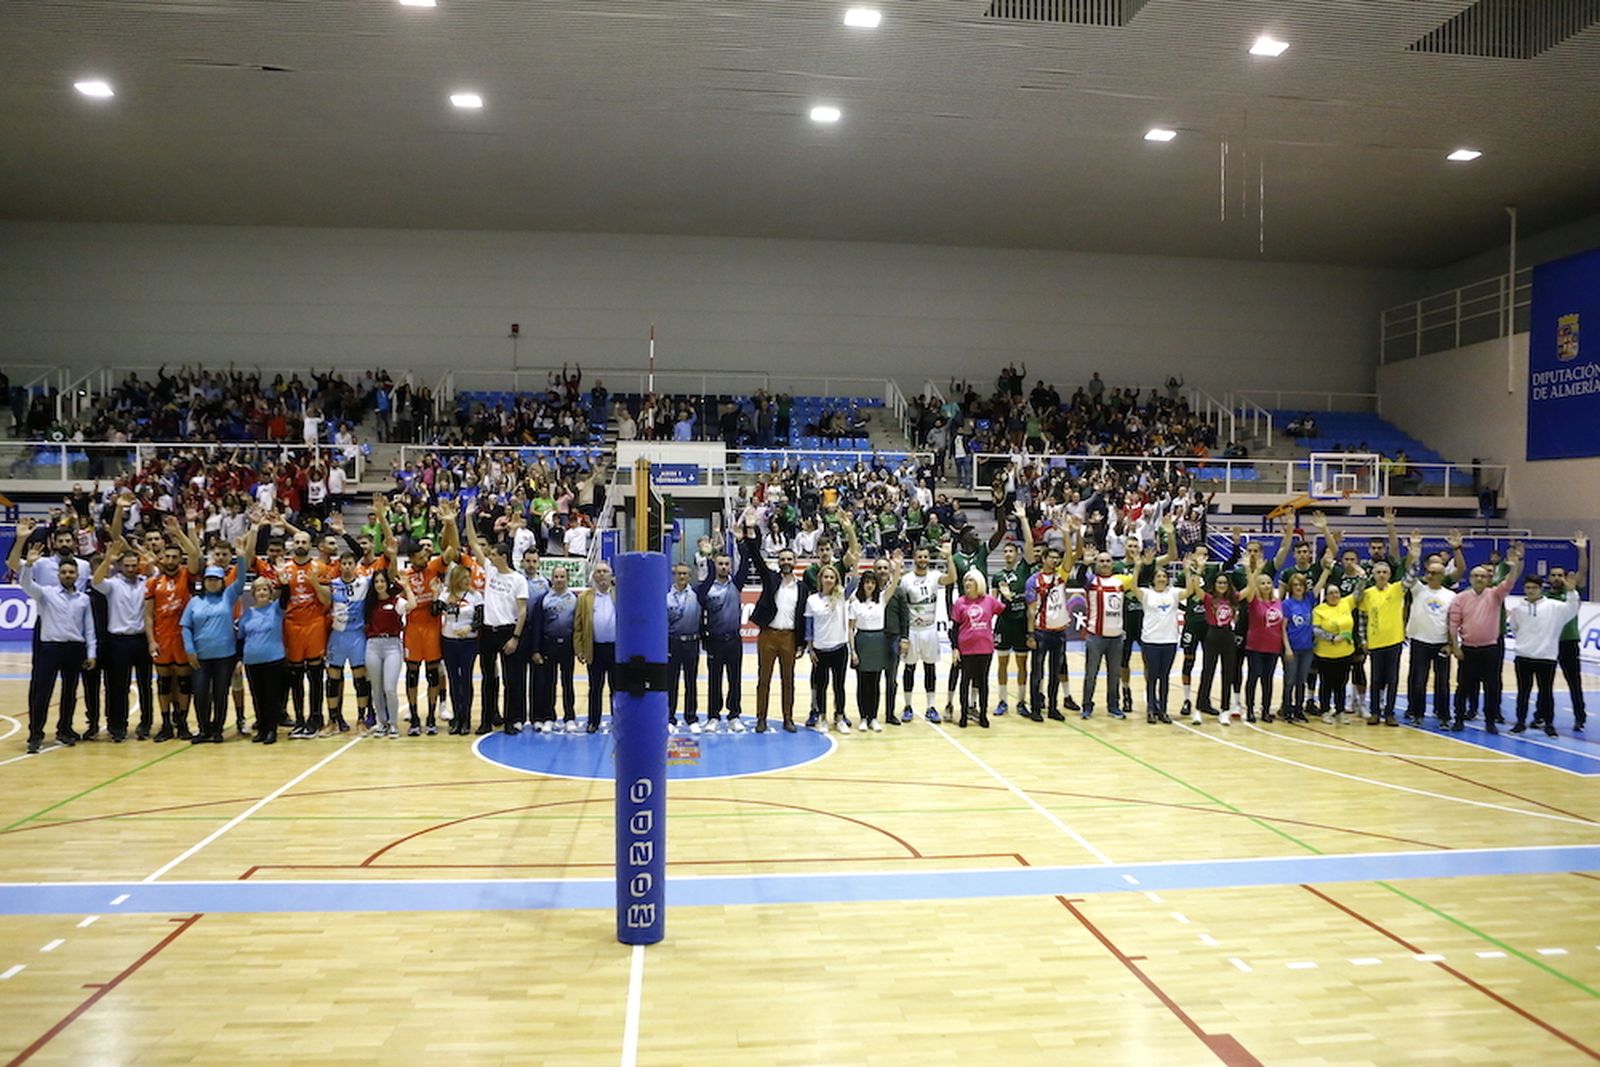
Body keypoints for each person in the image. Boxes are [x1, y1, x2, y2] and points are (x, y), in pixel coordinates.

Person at [11, 522, 96, 754]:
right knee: (42, 690)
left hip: (74, 646)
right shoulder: (45, 589)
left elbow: (89, 628)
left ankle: (65, 729)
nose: (68, 575)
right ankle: (35, 733)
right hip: (49, 642)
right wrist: (28, 564)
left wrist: (91, 653)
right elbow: (26, 584)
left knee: (70, 691)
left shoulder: (83, 595)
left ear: (78, 575)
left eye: (71, 573)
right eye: (64, 572)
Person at [1446, 543, 1524, 735]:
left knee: (1492, 686)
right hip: (1468, 649)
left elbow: (1509, 583)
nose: (1479, 578)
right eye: (1476, 576)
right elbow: (1453, 624)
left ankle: (1490, 721)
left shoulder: (1496, 595)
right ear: (1470, 579)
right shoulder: (1460, 598)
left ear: (1489, 578)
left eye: (1483, 576)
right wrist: (1455, 647)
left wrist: (1514, 566)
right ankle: (1459, 718)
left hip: (1490, 649)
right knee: (1463, 686)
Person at [743, 521, 812, 733]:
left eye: (789, 559)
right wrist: (750, 533)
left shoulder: (802, 588)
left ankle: (788, 718)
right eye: (782, 559)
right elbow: (755, 556)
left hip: (789, 638)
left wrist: (801, 643)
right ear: (778, 562)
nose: (785, 562)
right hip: (768, 635)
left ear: (795, 562)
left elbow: (803, 617)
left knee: (788, 680)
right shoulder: (770, 578)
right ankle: (761, 718)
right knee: (763, 679)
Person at [465, 513, 529, 736]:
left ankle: (512, 720)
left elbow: (522, 611)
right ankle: (486, 720)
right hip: (488, 631)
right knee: (488, 679)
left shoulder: (518, 580)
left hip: (507, 631)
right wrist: (467, 516)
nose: (489, 556)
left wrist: (516, 637)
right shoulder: (490, 571)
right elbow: (473, 543)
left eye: (493, 554)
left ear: (503, 556)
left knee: (511, 680)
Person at [1507, 572, 1583, 737]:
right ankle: (1520, 722)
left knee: (1546, 692)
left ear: (1541, 589)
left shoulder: (1554, 607)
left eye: (1534, 588)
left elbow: (1572, 608)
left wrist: (1571, 592)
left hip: (1546, 657)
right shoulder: (1518, 609)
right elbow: (1514, 628)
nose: (1531, 591)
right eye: (1528, 587)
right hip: (1523, 656)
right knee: (1523, 692)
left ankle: (1549, 724)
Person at [144, 527, 201, 742]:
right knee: (164, 682)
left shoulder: (187, 575)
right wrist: (151, 641)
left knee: (185, 682)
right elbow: (148, 616)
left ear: (180, 559)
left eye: (175, 557)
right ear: (162, 558)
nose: (170, 560)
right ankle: (166, 724)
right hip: (161, 639)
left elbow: (194, 554)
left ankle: (183, 722)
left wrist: (178, 532)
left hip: (182, 638)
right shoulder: (153, 583)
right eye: (167, 556)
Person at [179, 564, 245, 744]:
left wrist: (241, 558)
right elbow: (185, 626)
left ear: (222, 581)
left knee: (220, 693)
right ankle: (203, 729)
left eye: (216, 579)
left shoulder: (227, 597)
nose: (212, 583)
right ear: (204, 581)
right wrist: (189, 649)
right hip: (201, 656)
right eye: (209, 579)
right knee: (200, 692)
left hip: (225, 656)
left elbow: (241, 582)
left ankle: (217, 729)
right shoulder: (194, 602)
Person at [91, 544, 151, 743]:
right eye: (127, 565)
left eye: (134, 565)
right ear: (119, 566)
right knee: (118, 686)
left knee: (145, 685)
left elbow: (156, 570)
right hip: (119, 641)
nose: (131, 569)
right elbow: (95, 582)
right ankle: (118, 726)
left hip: (142, 639)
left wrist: (147, 557)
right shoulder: (113, 584)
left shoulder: (145, 582)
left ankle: (146, 723)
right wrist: (108, 558)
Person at [236, 524, 288, 744]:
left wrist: (284, 581)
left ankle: (272, 729)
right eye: (258, 590)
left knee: (271, 695)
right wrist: (239, 659)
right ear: (254, 593)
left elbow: (286, 595)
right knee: (257, 696)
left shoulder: (277, 608)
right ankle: (262, 727)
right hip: (252, 660)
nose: (262, 593)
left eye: (265, 590)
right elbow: (240, 639)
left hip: (273, 658)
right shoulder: (248, 614)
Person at [697, 545, 751, 733]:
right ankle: (713, 716)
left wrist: (741, 541)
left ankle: (734, 715)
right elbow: (699, 614)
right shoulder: (706, 589)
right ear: (714, 565)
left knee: (734, 679)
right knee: (714, 680)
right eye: (720, 564)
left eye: (727, 564)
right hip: (715, 641)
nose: (723, 567)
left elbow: (745, 564)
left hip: (734, 640)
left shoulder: (735, 585)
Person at [1077, 545, 1134, 720]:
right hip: (1096, 637)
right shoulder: (1091, 581)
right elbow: (1079, 578)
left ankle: (1113, 706)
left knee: (1114, 674)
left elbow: (1140, 577)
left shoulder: (1120, 581)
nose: (1105, 564)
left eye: (1108, 561)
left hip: (1116, 638)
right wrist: (1084, 564)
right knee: (1091, 674)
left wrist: (1139, 562)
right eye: (1101, 561)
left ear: (1112, 564)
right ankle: (1087, 706)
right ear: (1096, 563)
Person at [992, 502, 1036, 719]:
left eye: (1011, 551)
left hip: (1021, 624)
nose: (1008, 554)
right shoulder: (998, 576)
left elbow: (1029, 541)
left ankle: (1021, 701)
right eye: (1006, 551)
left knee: (1022, 663)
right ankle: (1002, 701)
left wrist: (1023, 518)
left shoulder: (1025, 568)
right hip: (1004, 623)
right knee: (1002, 663)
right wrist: (1004, 599)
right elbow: (992, 605)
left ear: (1018, 554)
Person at [1402, 551, 1456, 727]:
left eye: (1434, 573)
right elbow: (1408, 571)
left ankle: (1444, 716)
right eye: (1428, 572)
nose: (1429, 575)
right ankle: (1417, 713)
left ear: (1442, 575)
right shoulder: (1418, 589)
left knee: (1442, 683)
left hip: (1441, 644)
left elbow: (1453, 622)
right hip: (1420, 642)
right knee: (1418, 681)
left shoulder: (1451, 596)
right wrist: (1414, 552)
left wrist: (1451, 644)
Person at [946, 567, 1004, 728]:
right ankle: (964, 714)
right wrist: (955, 648)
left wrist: (1008, 596)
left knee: (983, 682)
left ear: (979, 582)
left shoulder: (989, 601)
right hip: (966, 649)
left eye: (970, 580)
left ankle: (983, 715)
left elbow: (1004, 611)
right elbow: (955, 628)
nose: (967, 583)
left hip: (985, 648)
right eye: (965, 581)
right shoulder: (960, 602)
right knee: (965, 681)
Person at [325, 549, 376, 734]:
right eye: (344, 564)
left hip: (357, 637)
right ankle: (332, 720)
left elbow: (386, 571)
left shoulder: (365, 582)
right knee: (332, 679)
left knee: (360, 680)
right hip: (337, 636)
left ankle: (361, 719)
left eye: (350, 563)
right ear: (339, 565)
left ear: (356, 566)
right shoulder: (332, 584)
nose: (347, 567)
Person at [1131, 547, 1182, 725]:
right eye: (1158, 576)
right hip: (1151, 641)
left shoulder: (1174, 593)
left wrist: (1192, 571)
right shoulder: (1146, 594)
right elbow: (1133, 586)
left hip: (1169, 641)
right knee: (1152, 677)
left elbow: (1190, 591)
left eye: (1164, 577)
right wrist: (1137, 567)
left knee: (1165, 677)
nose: (1161, 579)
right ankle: (1151, 709)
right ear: (1153, 580)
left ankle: (1163, 710)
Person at [1545, 534, 1590, 731]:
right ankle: (1541, 716)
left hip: (1569, 643)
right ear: (1548, 578)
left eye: (1560, 575)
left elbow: (1582, 570)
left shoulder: (1572, 591)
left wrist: (1581, 549)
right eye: (1553, 575)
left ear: (1565, 577)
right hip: (1548, 644)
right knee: (1545, 683)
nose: (1557, 578)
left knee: (1574, 683)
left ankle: (1579, 717)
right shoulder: (1544, 596)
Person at [894, 544, 944, 723]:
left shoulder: (935, 576)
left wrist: (949, 557)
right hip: (912, 630)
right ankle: (908, 706)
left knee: (930, 668)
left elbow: (952, 577)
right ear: (914, 558)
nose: (923, 560)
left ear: (929, 558)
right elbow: (899, 604)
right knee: (910, 668)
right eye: (919, 557)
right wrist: (903, 635)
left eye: (925, 556)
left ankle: (931, 706)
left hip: (930, 630)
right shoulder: (906, 579)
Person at [1354, 560, 1406, 726]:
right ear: (1374, 575)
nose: (1382, 575)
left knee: (1392, 679)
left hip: (1394, 641)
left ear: (1389, 575)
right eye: (1378, 572)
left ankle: (1389, 713)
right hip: (1375, 643)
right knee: (1376, 679)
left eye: (1385, 572)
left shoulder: (1397, 589)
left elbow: (1411, 578)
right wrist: (1363, 640)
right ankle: (1375, 712)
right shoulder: (1368, 594)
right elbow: (1362, 618)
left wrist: (1414, 552)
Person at [529, 564, 579, 732]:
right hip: (548, 647)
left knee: (568, 683)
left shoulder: (573, 599)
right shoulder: (544, 599)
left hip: (566, 647)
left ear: (567, 579)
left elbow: (578, 626)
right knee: (548, 684)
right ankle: (549, 716)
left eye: (562, 577)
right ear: (552, 579)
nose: (559, 580)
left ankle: (569, 717)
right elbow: (537, 626)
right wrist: (536, 650)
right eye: (556, 577)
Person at [805, 564, 852, 733]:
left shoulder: (841, 596)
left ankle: (839, 718)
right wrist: (810, 650)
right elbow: (809, 628)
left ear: (836, 580)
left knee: (839, 686)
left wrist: (855, 561)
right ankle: (823, 718)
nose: (829, 580)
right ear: (820, 579)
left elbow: (854, 581)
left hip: (839, 648)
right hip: (820, 651)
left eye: (832, 577)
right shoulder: (812, 600)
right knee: (821, 687)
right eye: (826, 577)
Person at [363, 569, 410, 737]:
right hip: (373, 646)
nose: (379, 584)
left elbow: (412, 606)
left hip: (392, 646)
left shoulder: (396, 601)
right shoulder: (369, 603)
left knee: (389, 688)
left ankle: (393, 724)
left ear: (387, 583)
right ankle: (381, 722)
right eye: (376, 582)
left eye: (382, 581)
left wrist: (407, 587)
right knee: (376, 688)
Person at [437, 563, 482, 734]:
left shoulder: (475, 596)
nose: (467, 580)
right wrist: (437, 596)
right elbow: (435, 611)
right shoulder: (446, 595)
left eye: (468, 577)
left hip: (468, 642)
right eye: (463, 577)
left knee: (466, 679)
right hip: (449, 641)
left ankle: (466, 718)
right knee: (454, 680)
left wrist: (469, 628)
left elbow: (479, 618)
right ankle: (457, 717)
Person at [574, 561, 618, 734]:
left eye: (605, 571)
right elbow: (578, 626)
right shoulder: (585, 598)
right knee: (595, 688)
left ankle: (618, 721)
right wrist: (579, 649)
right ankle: (593, 721)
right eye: (598, 571)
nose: (601, 575)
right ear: (593, 575)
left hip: (616, 649)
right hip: (595, 649)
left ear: (611, 575)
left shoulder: (619, 595)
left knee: (617, 688)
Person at [1241, 570, 1289, 723]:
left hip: (1273, 646)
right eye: (1262, 583)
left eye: (1269, 582)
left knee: (1268, 680)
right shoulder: (1254, 600)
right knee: (1253, 678)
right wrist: (1251, 571)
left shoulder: (1278, 602)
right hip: (1255, 646)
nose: (1266, 586)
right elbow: (1249, 588)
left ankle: (1266, 710)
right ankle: (1249, 710)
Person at [1312, 580, 1359, 725]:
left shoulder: (1346, 603)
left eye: (1336, 592)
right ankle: (1325, 710)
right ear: (1325, 596)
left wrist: (1362, 576)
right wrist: (1332, 638)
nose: (1334, 595)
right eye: (1331, 593)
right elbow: (1316, 629)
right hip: (1325, 654)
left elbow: (1358, 592)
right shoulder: (1319, 610)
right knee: (1326, 683)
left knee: (1341, 683)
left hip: (1345, 653)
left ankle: (1340, 711)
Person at [848, 569, 889, 732]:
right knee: (862, 682)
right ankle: (863, 717)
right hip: (862, 641)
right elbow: (850, 629)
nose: (870, 585)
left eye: (872, 582)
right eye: (867, 582)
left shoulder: (882, 599)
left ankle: (873, 717)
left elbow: (892, 587)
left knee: (875, 682)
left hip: (878, 641)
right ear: (862, 584)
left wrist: (898, 566)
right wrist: (853, 651)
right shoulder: (855, 603)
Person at [667, 562, 703, 732]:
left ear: (690, 576)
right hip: (672, 642)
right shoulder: (665, 596)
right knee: (670, 682)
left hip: (691, 642)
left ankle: (691, 717)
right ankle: (669, 717)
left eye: (685, 574)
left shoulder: (696, 594)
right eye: (679, 573)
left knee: (691, 682)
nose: (682, 577)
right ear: (674, 575)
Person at [1280, 571, 1320, 724]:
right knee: (1289, 680)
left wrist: (1327, 569)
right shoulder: (1287, 604)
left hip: (1307, 648)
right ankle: (1287, 709)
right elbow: (1283, 628)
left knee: (1301, 680)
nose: (1298, 587)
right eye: (1295, 585)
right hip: (1292, 648)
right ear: (1291, 587)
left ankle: (1298, 709)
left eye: (1300, 585)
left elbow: (1319, 586)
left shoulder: (1308, 600)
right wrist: (1287, 648)